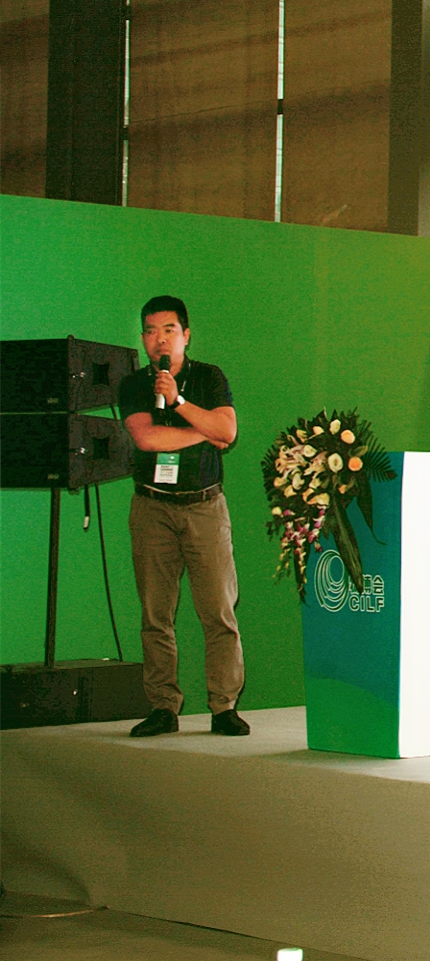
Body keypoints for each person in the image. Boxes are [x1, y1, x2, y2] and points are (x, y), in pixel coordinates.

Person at [117, 296, 249, 737]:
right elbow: (147, 439)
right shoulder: (133, 384)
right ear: (143, 338)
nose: (160, 339)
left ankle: (224, 706)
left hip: (205, 507)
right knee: (155, 614)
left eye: (169, 330)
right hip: (152, 508)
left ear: (186, 335)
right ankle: (163, 707)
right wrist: (203, 432)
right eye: (151, 331)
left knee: (219, 611)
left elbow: (227, 431)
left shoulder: (209, 377)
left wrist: (178, 402)